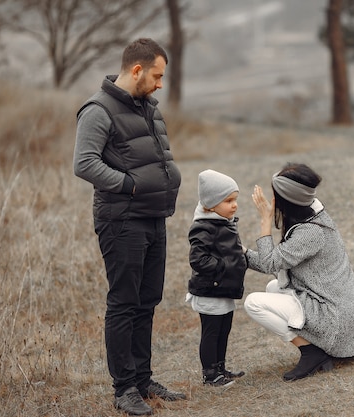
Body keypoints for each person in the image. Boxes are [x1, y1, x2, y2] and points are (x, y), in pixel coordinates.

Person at [73, 38, 185, 416]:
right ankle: (124, 390)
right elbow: (84, 163)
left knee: (147, 300)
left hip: (154, 216)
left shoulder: (148, 107)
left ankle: (142, 379)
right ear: (136, 70)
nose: (159, 84)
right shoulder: (97, 109)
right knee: (123, 302)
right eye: (156, 75)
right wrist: (129, 185)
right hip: (121, 220)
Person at [243, 162, 354, 382]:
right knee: (273, 288)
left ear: (286, 200)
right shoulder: (312, 214)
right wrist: (243, 254)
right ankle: (315, 350)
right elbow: (275, 263)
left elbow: (269, 264)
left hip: (335, 318)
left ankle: (312, 353)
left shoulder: (310, 233)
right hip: (337, 307)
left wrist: (265, 221)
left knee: (253, 303)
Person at [186, 169, 248, 388]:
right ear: (211, 205)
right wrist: (223, 268)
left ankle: (220, 367)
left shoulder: (224, 222)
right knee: (212, 333)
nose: (234, 205)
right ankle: (210, 374)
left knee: (224, 330)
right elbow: (198, 259)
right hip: (210, 291)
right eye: (228, 200)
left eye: (235, 200)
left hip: (223, 290)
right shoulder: (203, 227)